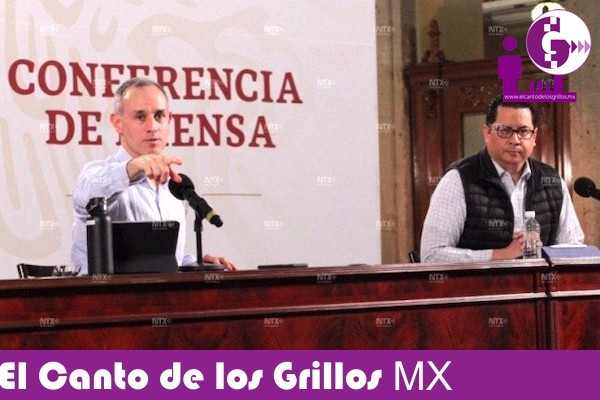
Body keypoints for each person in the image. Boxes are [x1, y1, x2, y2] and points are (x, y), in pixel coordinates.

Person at [70, 77, 236, 273]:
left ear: (169, 120)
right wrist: (133, 167)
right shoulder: (96, 174)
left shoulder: (172, 188)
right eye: (140, 117)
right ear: (117, 123)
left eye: (159, 115)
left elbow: (160, 260)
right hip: (104, 292)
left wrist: (194, 264)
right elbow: (87, 193)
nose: (153, 126)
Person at [420, 95, 584, 263]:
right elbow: (432, 255)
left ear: (534, 136)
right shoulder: (458, 180)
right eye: (505, 130)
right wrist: (501, 255)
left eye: (523, 131)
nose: (515, 140)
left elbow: (573, 247)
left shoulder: (551, 181)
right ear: (487, 132)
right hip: (482, 280)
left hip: (540, 280)